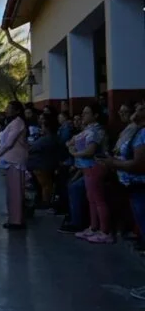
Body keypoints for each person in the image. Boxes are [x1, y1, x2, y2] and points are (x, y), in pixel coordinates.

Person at [102, 102, 145, 253]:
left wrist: (114, 163)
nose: (136, 113)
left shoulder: (140, 132)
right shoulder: (135, 130)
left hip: (139, 181)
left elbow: (139, 164)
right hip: (131, 182)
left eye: (140, 110)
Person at [69, 102, 111, 243]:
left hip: (95, 166)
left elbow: (90, 151)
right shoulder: (87, 130)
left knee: (98, 200)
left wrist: (75, 154)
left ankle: (104, 231)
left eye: (86, 113)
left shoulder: (97, 130)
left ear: (96, 115)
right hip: (86, 168)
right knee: (91, 199)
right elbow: (70, 143)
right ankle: (93, 227)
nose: (83, 115)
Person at [0, 100, 29, 230]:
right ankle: (14, 218)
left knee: (15, 191)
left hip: (15, 159)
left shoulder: (17, 123)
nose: (6, 110)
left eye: (9, 108)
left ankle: (17, 220)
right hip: (11, 159)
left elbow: (9, 142)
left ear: (17, 110)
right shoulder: (14, 122)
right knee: (12, 190)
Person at [28, 114, 63, 210]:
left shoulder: (46, 139)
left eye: (43, 126)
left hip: (41, 165)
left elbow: (32, 148)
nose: (41, 128)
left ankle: (45, 202)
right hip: (45, 164)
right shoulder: (53, 138)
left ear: (47, 128)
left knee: (45, 185)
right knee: (46, 185)